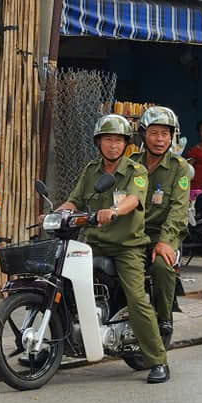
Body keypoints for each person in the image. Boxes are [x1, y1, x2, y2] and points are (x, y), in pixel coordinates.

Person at [57, 114, 171, 383]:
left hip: (127, 247)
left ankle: (158, 360)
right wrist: (54, 213)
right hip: (94, 244)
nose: (113, 146)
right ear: (98, 143)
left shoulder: (136, 171)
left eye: (119, 140)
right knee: (62, 281)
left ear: (126, 144)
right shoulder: (91, 170)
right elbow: (75, 200)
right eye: (108, 140)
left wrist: (114, 211)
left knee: (136, 297)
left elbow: (134, 198)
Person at [131, 106, 190, 339]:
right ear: (143, 135)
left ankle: (164, 318)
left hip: (163, 234)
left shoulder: (179, 167)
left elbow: (178, 209)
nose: (159, 139)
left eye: (165, 134)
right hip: (131, 234)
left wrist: (166, 241)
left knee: (162, 267)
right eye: (154, 133)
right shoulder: (131, 164)